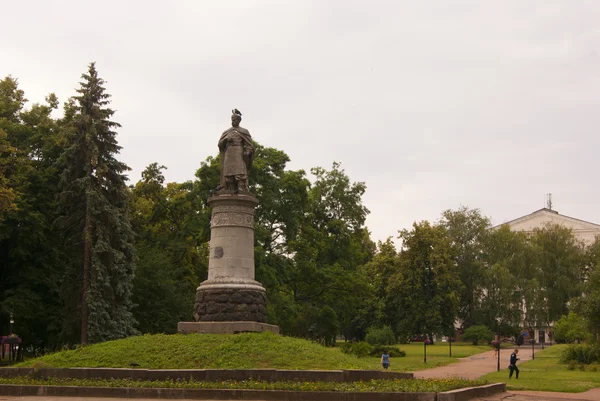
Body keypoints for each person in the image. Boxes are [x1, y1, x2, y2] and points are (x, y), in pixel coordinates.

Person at [218, 109, 254, 193]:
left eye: (235, 120)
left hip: (239, 151)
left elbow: (249, 145)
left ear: (239, 120)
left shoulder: (244, 131)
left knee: (240, 171)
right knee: (228, 172)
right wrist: (226, 139)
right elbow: (220, 144)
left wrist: (247, 152)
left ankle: (241, 188)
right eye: (232, 120)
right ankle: (230, 188)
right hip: (229, 152)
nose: (233, 121)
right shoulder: (227, 132)